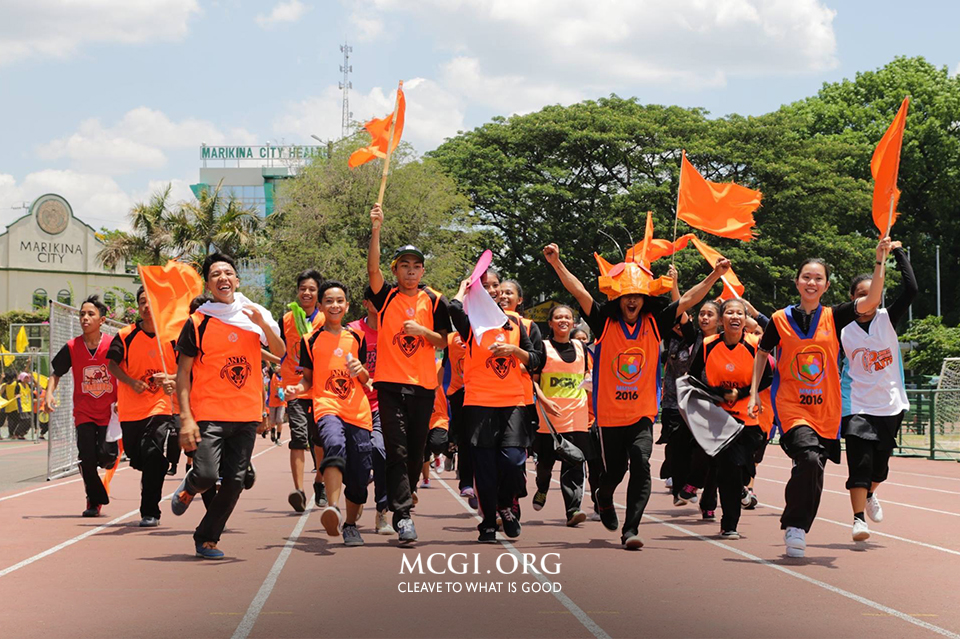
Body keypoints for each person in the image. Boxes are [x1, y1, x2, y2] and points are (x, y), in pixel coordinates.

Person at [544, 242, 730, 550]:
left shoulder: (655, 322)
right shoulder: (605, 322)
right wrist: (557, 264)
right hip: (609, 414)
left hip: (642, 412)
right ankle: (603, 496)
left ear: (644, 299)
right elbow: (579, 293)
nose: (632, 301)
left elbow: (688, 299)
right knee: (614, 472)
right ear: (618, 298)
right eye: (626, 296)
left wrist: (714, 274)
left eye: (637, 296)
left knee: (641, 462)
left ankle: (631, 529)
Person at [749, 238, 891, 559]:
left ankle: (796, 521)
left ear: (826, 285)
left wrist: (880, 261)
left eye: (818, 278)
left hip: (826, 411)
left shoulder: (835, 316)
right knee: (808, 459)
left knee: (815, 468)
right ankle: (796, 527)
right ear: (796, 281)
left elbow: (871, 301)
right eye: (806, 277)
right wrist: (753, 392)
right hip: (791, 407)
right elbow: (762, 352)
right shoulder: (780, 320)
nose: (811, 282)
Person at [171, 253, 284, 560]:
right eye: (215, 274)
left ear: (237, 280)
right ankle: (191, 484)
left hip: (246, 416)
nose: (223, 278)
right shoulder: (197, 323)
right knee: (207, 475)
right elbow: (183, 374)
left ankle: (207, 537)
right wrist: (186, 419)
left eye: (228, 273)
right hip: (209, 414)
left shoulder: (254, 315)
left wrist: (263, 324)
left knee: (235, 482)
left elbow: (280, 351)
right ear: (208, 284)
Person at [367, 203, 451, 544]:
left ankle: (405, 497)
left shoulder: (435, 300)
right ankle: (402, 515)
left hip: (423, 387)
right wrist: (376, 229)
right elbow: (372, 268)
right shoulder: (386, 296)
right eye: (405, 266)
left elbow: (444, 340)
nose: (411, 271)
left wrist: (421, 332)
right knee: (396, 449)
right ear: (396, 270)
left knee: (416, 453)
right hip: (389, 385)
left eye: (417, 266)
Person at [449, 270, 542, 543]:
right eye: (485, 286)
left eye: (496, 286)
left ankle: (505, 503)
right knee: (486, 469)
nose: (493, 291)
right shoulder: (471, 324)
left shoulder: (515, 322)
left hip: (513, 403)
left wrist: (515, 352)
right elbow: (453, 307)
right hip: (479, 405)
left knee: (514, 462)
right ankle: (488, 523)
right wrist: (464, 287)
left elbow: (535, 359)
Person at [840, 245, 916, 542]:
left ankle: (871, 493)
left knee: (880, 468)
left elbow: (911, 290)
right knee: (859, 462)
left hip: (890, 405)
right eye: (861, 293)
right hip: (856, 405)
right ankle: (858, 520)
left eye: (872, 292)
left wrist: (896, 254)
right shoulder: (842, 327)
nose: (867, 299)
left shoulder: (887, 318)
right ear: (852, 298)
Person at [293, 281, 373, 546]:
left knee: (360, 476)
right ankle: (333, 508)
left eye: (340, 300)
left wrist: (359, 370)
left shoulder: (357, 337)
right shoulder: (310, 340)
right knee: (334, 445)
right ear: (321, 306)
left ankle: (350, 525)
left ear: (347, 306)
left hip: (358, 412)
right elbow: (308, 379)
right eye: (329, 301)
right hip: (327, 406)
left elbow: (366, 380)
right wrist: (297, 388)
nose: (335, 305)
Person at [687, 298, 772, 539]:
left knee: (743, 472)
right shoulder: (708, 344)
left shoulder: (756, 345)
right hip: (720, 419)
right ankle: (729, 523)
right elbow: (693, 377)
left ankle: (742, 490)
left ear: (746, 319)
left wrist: (743, 393)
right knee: (729, 472)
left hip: (750, 419)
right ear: (721, 318)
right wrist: (717, 394)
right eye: (730, 313)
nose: (735, 317)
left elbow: (767, 377)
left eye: (740, 314)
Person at [106, 286, 178, 527]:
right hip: (131, 410)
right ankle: (154, 467)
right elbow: (112, 365)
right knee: (139, 458)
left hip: (160, 406)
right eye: (142, 302)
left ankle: (150, 510)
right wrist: (130, 382)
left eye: (151, 302)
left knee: (153, 455)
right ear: (138, 307)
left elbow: (187, 368)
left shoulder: (172, 336)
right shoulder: (125, 335)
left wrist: (170, 378)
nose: (147, 307)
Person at [45, 295, 119, 517]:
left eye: (90, 314)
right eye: (82, 314)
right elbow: (56, 373)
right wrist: (49, 394)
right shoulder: (72, 347)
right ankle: (93, 500)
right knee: (87, 457)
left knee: (106, 457)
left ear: (102, 319)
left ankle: (94, 470)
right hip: (84, 412)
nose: (85, 318)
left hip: (109, 413)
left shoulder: (113, 345)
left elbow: (125, 371)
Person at [532, 304, 592, 527]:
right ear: (550, 323)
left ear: (573, 323)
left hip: (577, 416)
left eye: (567, 317)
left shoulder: (581, 348)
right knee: (545, 465)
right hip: (550, 419)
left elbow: (586, 375)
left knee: (575, 464)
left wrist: (590, 382)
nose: (563, 321)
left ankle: (573, 509)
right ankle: (542, 487)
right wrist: (544, 401)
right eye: (558, 317)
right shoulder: (543, 348)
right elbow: (532, 380)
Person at [347, 286, 394, 535]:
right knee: (358, 462)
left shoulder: (394, 330)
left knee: (381, 450)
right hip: (353, 405)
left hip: (381, 404)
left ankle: (382, 512)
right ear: (366, 303)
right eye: (377, 301)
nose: (382, 305)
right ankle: (351, 512)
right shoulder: (353, 331)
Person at [279, 270, 326, 513]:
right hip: (294, 387)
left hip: (319, 388)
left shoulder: (326, 319)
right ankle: (298, 490)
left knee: (320, 440)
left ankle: (320, 482)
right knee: (298, 437)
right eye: (302, 289)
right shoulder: (286, 319)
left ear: (318, 294)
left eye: (311, 289)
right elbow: (280, 348)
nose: (306, 293)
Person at [266, 367, 285, 445]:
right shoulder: (272, 375)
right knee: (272, 421)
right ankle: (273, 432)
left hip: (282, 402)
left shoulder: (286, 376)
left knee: (280, 419)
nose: (277, 367)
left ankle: (278, 438)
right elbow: (269, 365)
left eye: (279, 366)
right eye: (276, 366)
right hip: (272, 402)